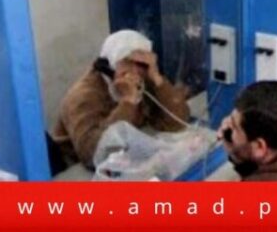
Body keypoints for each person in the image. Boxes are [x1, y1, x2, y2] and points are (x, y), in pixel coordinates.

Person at [51, 30, 190, 169]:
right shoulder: (82, 96)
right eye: (127, 62)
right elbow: (92, 154)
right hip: (78, 168)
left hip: (126, 153)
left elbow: (178, 122)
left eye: (141, 64)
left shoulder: (143, 79)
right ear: (108, 65)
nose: (135, 71)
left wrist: (158, 80)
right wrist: (128, 101)